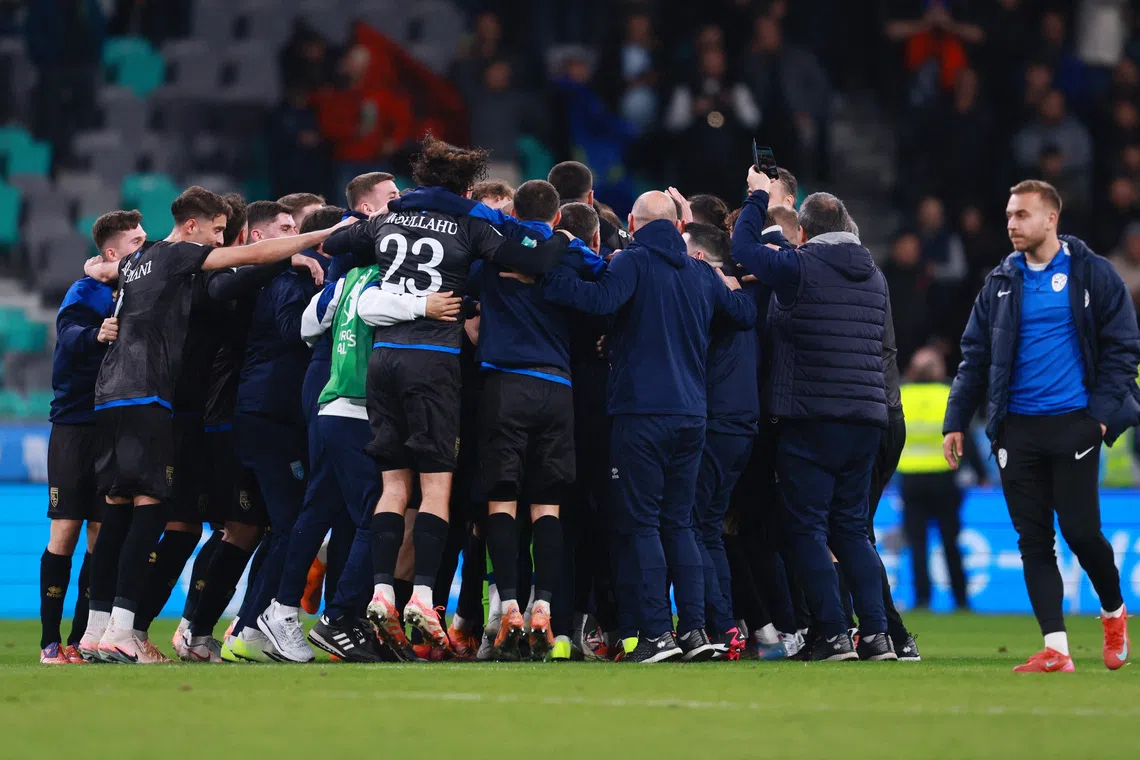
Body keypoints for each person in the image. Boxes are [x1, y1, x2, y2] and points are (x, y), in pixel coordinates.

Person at [76, 186, 353, 664]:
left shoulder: (138, 260)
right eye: (218, 232)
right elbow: (254, 256)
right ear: (191, 228)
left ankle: (100, 630)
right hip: (155, 395)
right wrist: (319, 238)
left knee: (121, 512)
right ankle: (127, 630)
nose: (221, 242)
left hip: (113, 394)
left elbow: (102, 267)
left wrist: (92, 267)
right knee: (151, 511)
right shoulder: (181, 255)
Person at [323, 135, 572, 654]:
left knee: (395, 488)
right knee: (436, 490)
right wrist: (556, 241)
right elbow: (533, 259)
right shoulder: (470, 222)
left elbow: (339, 244)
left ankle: (382, 593)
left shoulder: (389, 217)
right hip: (433, 362)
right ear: (463, 185)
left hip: (383, 358)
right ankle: (421, 597)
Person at [542, 190, 757, 663]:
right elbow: (743, 315)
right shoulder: (701, 273)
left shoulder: (633, 263)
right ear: (679, 228)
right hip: (692, 414)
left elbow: (597, 301)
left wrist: (552, 272)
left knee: (641, 524)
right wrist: (730, 281)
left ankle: (658, 634)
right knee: (679, 523)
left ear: (635, 226)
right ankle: (697, 631)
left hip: (641, 414)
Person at [943, 180, 1139, 673]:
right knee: (1033, 539)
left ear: (1052, 219)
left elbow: (1123, 349)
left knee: (1080, 531)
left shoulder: (1093, 273)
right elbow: (974, 356)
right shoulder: (1000, 282)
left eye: (1023, 215)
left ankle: (1114, 612)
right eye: (1009, 214)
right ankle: (1057, 648)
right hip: (1016, 430)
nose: (1012, 223)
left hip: (1075, 424)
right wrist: (956, 420)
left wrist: (1097, 418)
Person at [257, 228, 462, 663]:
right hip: (358, 411)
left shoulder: (342, 283)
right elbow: (373, 311)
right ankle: (340, 618)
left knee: (315, 515)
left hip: (330, 406)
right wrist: (422, 305)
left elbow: (308, 326)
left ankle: (282, 610)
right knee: (378, 517)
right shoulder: (381, 283)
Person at [731, 168, 895, 662]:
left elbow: (743, 250)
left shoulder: (800, 266)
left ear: (803, 232)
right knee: (851, 528)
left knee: (805, 529)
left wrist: (757, 198)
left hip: (812, 416)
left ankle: (832, 633)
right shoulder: (874, 273)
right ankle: (877, 635)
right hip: (866, 417)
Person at [470, 180, 605, 661]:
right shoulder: (566, 252)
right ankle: (544, 607)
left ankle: (507, 605)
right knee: (547, 508)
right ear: (555, 218)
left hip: (503, 386)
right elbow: (606, 274)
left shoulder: (491, 249)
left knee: (502, 505)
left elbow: (464, 292)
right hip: (556, 388)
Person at [38, 211, 144, 665]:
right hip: (76, 425)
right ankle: (49, 641)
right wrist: (94, 333)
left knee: (103, 533)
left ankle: (83, 638)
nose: (147, 246)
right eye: (137, 241)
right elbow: (66, 335)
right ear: (111, 253)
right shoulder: (86, 291)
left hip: (114, 424)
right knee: (66, 530)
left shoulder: (135, 290)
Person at [683, 221, 756, 660]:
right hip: (742, 423)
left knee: (690, 525)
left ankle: (715, 623)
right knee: (708, 528)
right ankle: (726, 625)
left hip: (716, 421)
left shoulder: (710, 294)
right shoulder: (736, 292)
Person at [898, 348, 975, 612]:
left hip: (910, 479)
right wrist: (981, 472)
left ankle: (921, 600)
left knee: (917, 544)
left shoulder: (901, 394)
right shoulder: (948, 393)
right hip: (945, 477)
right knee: (950, 542)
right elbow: (965, 435)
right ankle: (961, 600)